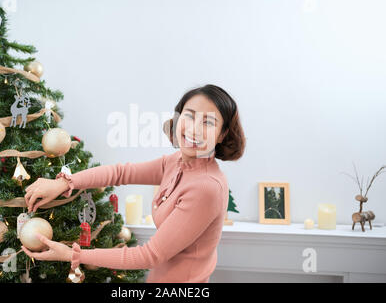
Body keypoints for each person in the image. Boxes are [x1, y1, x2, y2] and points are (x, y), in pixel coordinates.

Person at [22, 84, 246, 282]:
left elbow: (149, 255)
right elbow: (121, 173)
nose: (194, 129)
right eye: (189, 116)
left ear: (222, 135)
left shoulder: (207, 187)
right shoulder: (177, 162)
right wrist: (65, 183)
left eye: (208, 122)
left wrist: (73, 254)